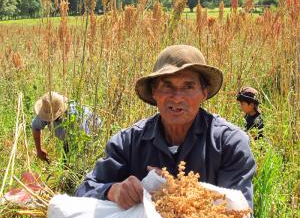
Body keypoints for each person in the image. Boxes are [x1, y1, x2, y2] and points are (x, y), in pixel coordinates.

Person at [75, 45, 256, 210]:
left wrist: (177, 192)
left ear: (204, 92)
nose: (177, 97)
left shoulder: (229, 143)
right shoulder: (128, 142)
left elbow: (238, 210)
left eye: (188, 86)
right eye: (167, 86)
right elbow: (85, 190)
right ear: (154, 92)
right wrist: (113, 191)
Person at [32, 91, 101, 163]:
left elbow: (83, 143)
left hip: (90, 133)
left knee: (81, 162)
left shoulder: (75, 119)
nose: (48, 120)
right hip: (69, 138)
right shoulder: (46, 110)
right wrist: (39, 150)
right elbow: (35, 127)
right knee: (65, 161)